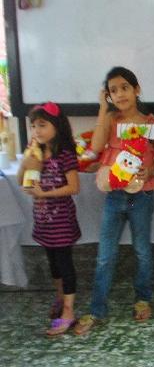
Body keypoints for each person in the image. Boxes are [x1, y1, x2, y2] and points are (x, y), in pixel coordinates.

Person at [74, 66, 154, 334]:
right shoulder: (111, 122)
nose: (120, 94)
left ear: (136, 89)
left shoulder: (150, 125)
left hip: (143, 195)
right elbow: (96, 147)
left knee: (142, 251)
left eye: (125, 87)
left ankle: (143, 298)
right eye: (113, 90)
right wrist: (103, 108)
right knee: (105, 255)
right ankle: (96, 309)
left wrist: (150, 170)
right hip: (114, 197)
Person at [18, 102, 81, 336]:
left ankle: (68, 310)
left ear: (57, 125)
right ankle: (59, 297)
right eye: (33, 126)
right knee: (53, 265)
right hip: (43, 221)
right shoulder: (35, 151)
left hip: (62, 222)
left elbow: (74, 187)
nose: (37, 131)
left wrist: (44, 193)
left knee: (65, 265)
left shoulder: (65, 154)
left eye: (42, 125)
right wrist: (28, 160)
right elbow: (20, 181)